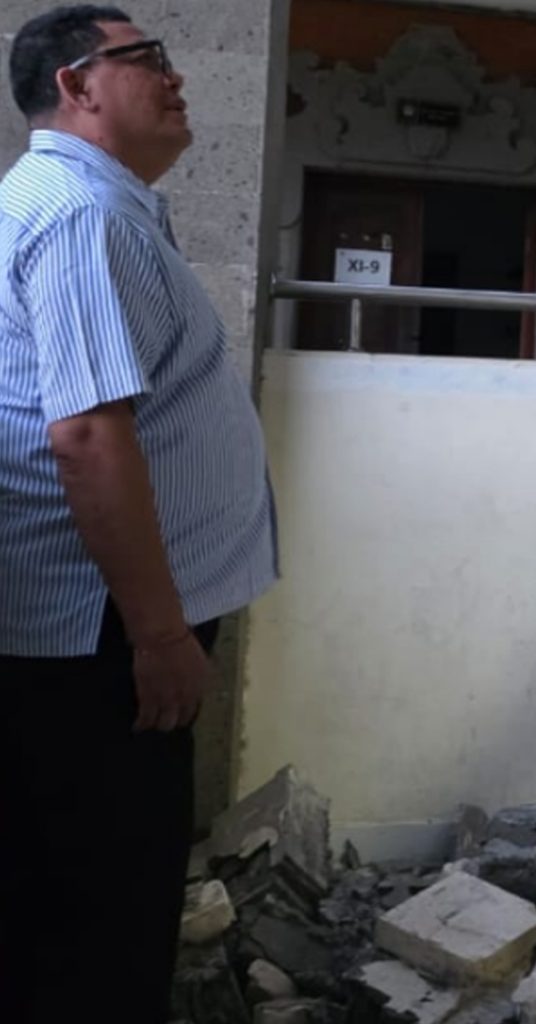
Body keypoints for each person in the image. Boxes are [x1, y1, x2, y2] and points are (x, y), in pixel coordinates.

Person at [0, 7, 278, 1022]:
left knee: (58, 897)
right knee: (104, 910)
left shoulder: (82, 204)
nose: (176, 77)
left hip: (95, 626)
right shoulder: (83, 215)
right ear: (76, 85)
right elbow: (87, 435)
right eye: (147, 59)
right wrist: (160, 634)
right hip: (102, 637)